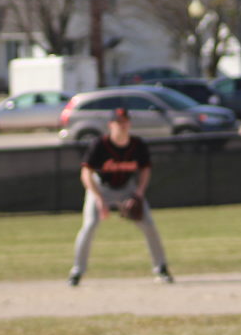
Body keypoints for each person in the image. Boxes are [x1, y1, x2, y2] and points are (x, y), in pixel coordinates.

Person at [68, 107, 173, 286]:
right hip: (101, 188)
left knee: (149, 224)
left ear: (129, 123)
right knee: (90, 225)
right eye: (118, 122)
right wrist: (99, 199)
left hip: (127, 188)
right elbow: (86, 173)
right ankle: (77, 271)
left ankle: (161, 268)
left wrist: (139, 193)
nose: (122, 126)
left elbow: (145, 169)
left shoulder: (137, 145)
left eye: (125, 122)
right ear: (111, 125)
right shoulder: (99, 145)